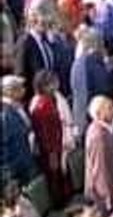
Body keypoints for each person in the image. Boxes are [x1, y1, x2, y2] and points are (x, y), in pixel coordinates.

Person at [28, 70, 69, 206]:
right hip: (50, 151)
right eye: (52, 83)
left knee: (59, 176)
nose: (56, 86)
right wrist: (52, 153)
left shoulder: (49, 101)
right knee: (54, 178)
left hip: (56, 146)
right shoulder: (42, 106)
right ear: (45, 86)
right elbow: (45, 134)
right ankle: (59, 204)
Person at [0, 75, 37, 186]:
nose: (23, 90)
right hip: (17, 167)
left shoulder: (17, 106)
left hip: (26, 161)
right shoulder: (5, 114)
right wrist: (8, 174)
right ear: (9, 91)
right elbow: (5, 145)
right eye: (19, 87)